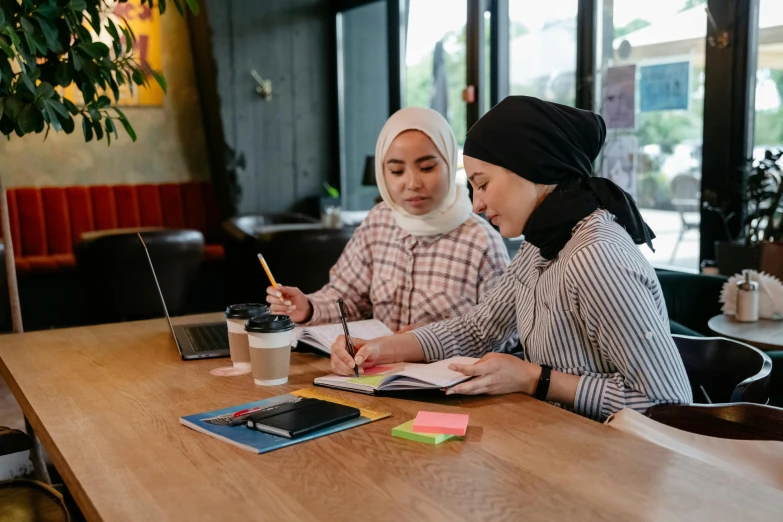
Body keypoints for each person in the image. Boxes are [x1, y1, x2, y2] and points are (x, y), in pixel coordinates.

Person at [330, 96, 693, 422]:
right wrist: (379, 348)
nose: (477, 204)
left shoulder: (595, 256)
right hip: (556, 443)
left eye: (483, 184)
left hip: (611, 470)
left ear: (530, 168)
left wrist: (536, 379)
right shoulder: (541, 243)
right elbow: (477, 329)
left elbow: (666, 402)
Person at [266, 107, 510, 335]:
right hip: (374, 376)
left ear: (448, 162)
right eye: (396, 171)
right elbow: (348, 298)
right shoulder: (379, 222)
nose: (413, 183)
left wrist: (433, 339)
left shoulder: (481, 241)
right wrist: (308, 307)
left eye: (427, 168)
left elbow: (505, 336)